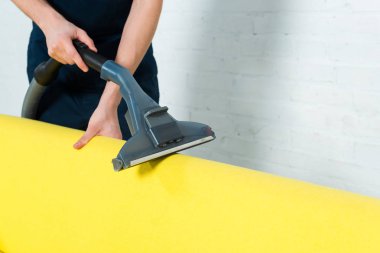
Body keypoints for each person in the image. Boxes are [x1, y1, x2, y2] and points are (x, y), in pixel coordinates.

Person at [11, 0, 162, 149]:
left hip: (127, 64)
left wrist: (110, 103)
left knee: (123, 166)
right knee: (54, 160)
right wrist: (51, 23)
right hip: (55, 63)